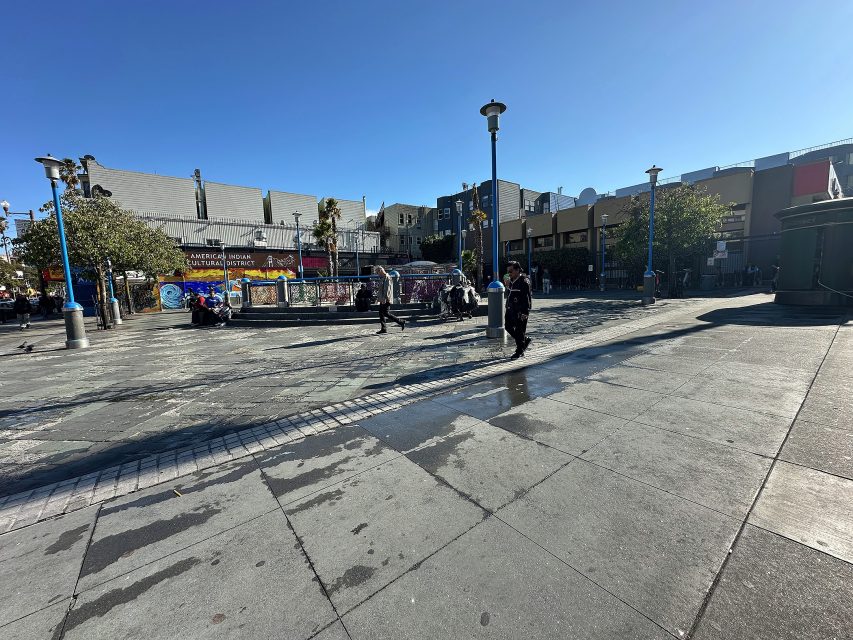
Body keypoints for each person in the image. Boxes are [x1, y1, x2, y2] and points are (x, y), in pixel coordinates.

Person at [504, 261, 532, 359]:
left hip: (520, 310)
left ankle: (519, 350)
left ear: (517, 270)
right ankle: (524, 340)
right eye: (508, 272)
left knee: (520, 330)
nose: (509, 274)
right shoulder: (511, 280)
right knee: (508, 327)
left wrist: (525, 312)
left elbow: (527, 298)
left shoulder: (524, 281)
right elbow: (510, 294)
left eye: (511, 271)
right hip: (510, 309)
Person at [374, 266, 405, 334]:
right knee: (381, 313)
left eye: (377, 272)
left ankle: (400, 322)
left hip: (386, 299)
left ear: (380, 271)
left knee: (385, 313)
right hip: (383, 298)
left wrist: (385, 298)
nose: (377, 274)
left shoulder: (387, 278)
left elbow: (387, 289)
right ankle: (384, 328)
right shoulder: (384, 278)